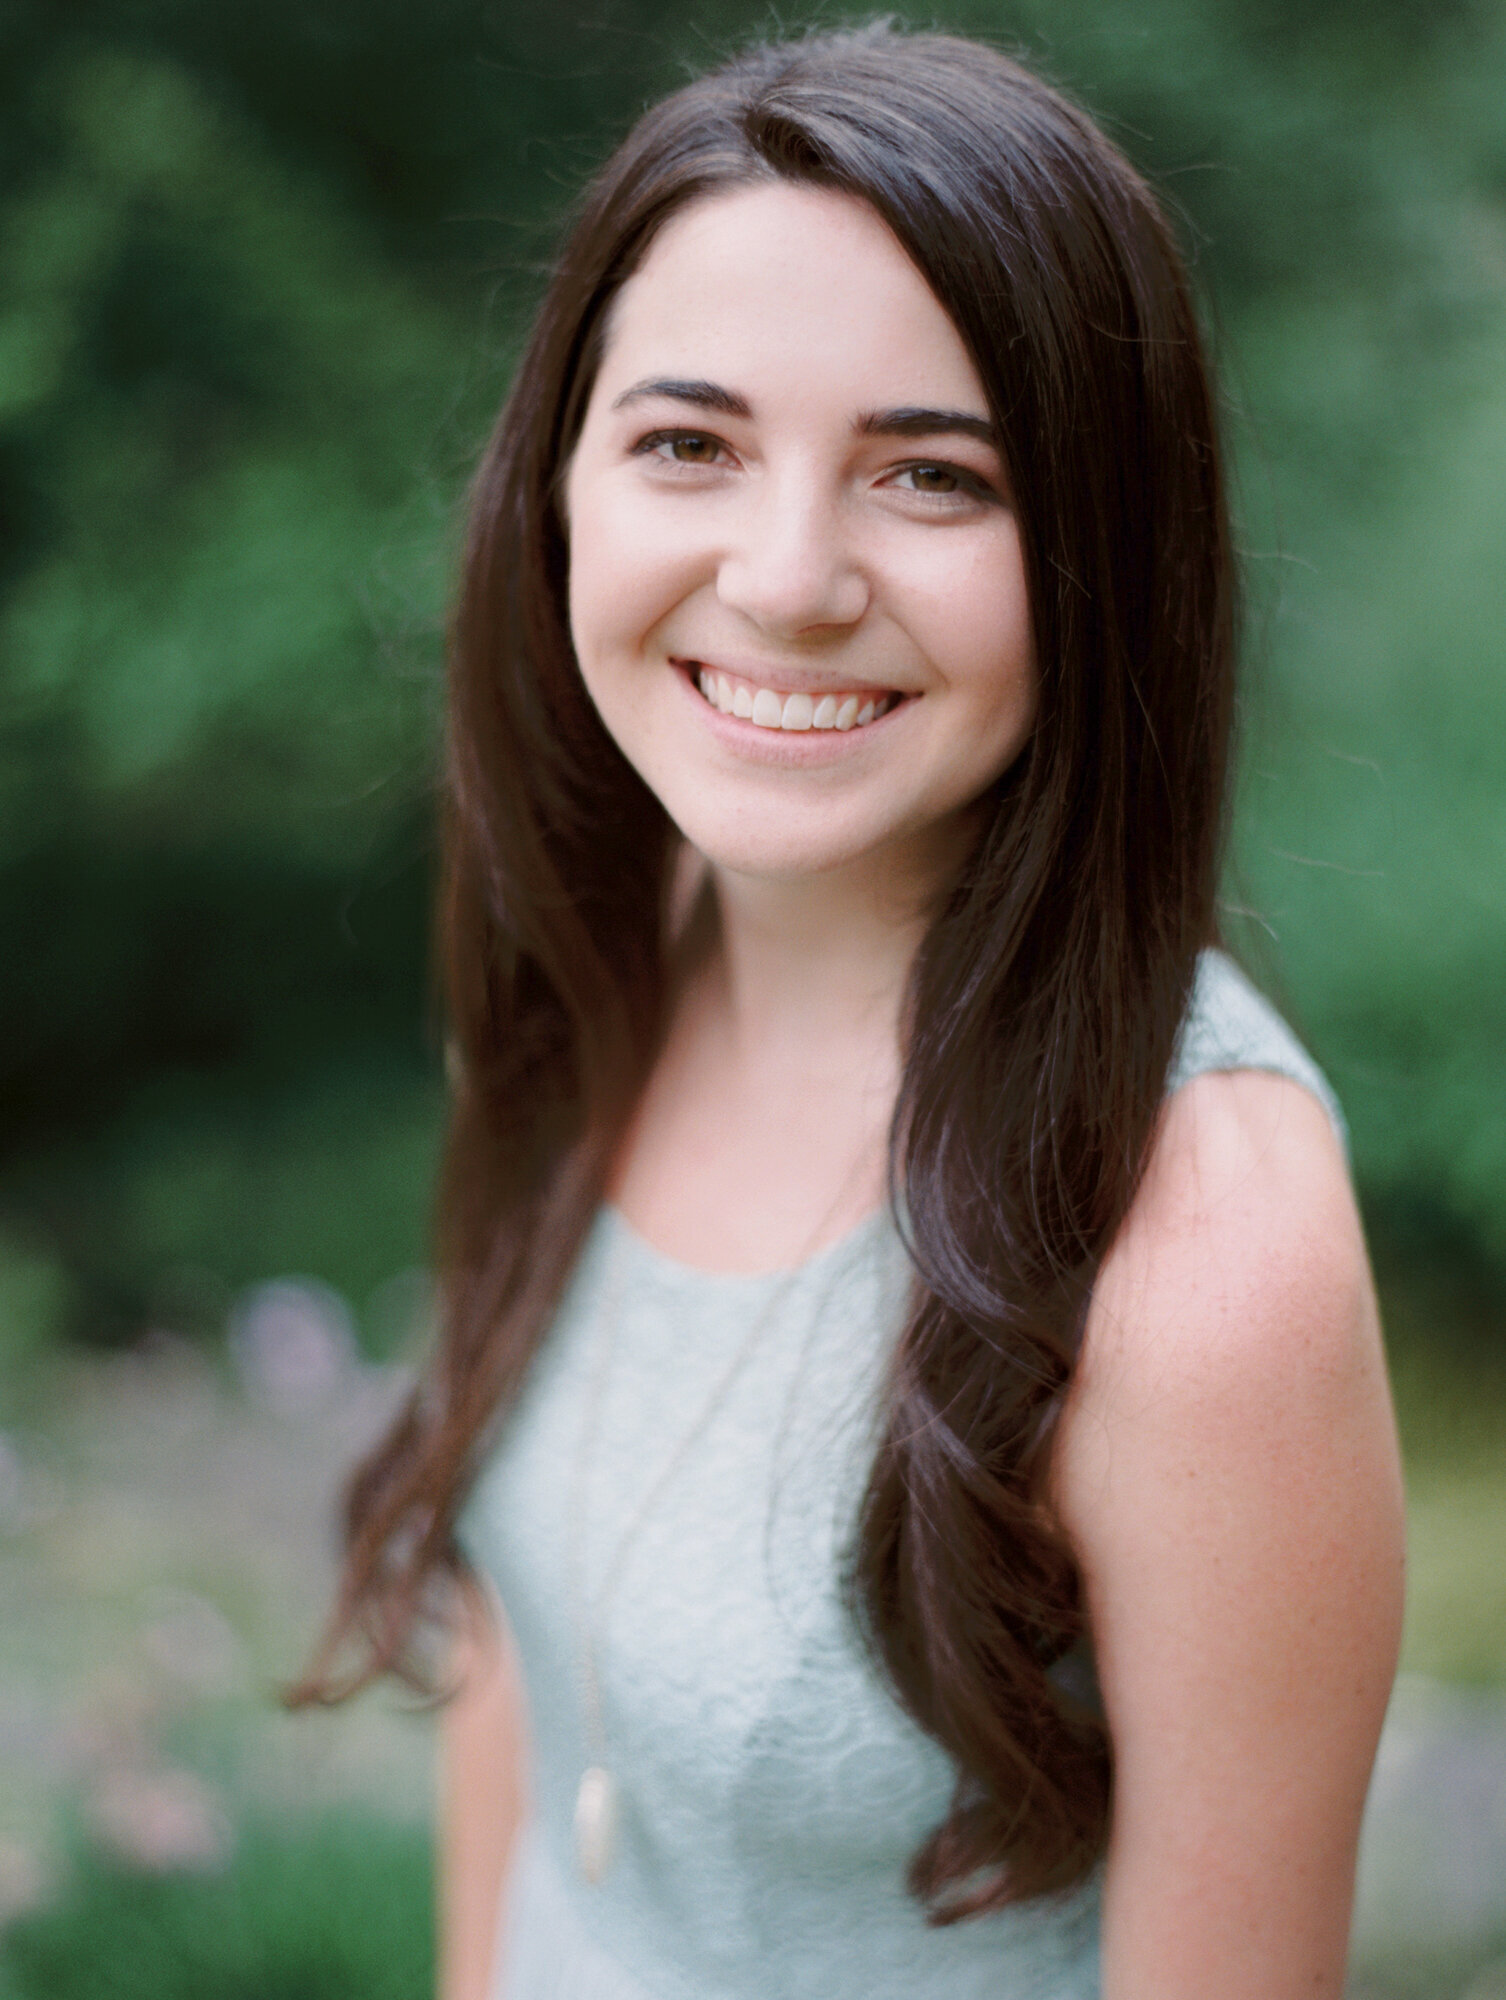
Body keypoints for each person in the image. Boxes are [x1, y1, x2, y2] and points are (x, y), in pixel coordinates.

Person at [295, 24, 1405, 1998]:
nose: (790, 578)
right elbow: (530, 1706)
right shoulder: (594, 970)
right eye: (688, 443)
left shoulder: (1201, 1248)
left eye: (932, 474)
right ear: (559, 487)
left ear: (1101, 559)